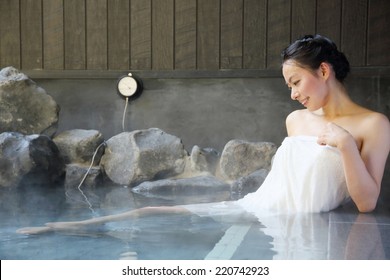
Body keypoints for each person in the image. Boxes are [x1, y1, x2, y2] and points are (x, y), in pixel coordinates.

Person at [17, 34, 390, 235]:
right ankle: (67, 226)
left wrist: (344, 145)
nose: (292, 94)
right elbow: (280, 187)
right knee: (151, 209)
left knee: (155, 210)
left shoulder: (373, 125)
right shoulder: (296, 121)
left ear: (323, 71)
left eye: (295, 82)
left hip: (305, 228)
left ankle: (64, 227)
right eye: (288, 85)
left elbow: (366, 204)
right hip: (267, 212)